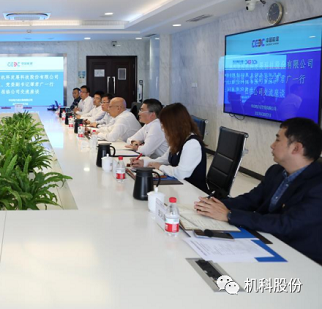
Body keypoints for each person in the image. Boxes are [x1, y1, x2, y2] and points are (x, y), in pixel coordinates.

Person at [194, 118, 322, 264]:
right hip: (266, 239)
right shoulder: (276, 171)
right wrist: (212, 205)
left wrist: (229, 215)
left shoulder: (317, 186)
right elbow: (251, 200)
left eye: (277, 140)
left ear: (296, 148)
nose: (272, 145)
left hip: (299, 257)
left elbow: (286, 224)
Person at [132, 103, 207, 192]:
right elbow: (165, 159)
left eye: (164, 124)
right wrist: (144, 163)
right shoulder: (178, 139)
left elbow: (181, 173)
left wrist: (160, 167)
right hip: (180, 188)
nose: (162, 128)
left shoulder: (192, 143)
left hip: (194, 192)